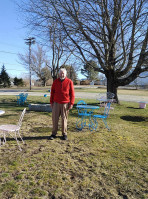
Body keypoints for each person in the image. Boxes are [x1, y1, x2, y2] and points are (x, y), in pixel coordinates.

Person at [49, 68, 75, 140]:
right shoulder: (55, 82)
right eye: (60, 73)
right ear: (59, 74)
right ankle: (54, 133)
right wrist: (51, 102)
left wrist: (71, 103)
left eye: (63, 73)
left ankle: (64, 134)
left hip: (65, 104)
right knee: (55, 119)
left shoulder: (69, 82)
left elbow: (72, 94)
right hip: (56, 103)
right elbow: (52, 93)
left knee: (64, 119)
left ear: (66, 74)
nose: (62, 74)